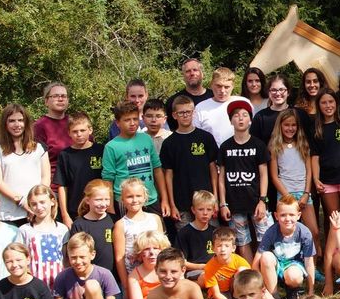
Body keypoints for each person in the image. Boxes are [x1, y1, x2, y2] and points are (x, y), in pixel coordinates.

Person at [218, 100, 271, 263]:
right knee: (242, 241)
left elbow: (264, 174)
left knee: (265, 239)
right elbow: (221, 178)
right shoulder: (225, 147)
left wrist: (262, 200)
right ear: (230, 121)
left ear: (250, 120)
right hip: (235, 203)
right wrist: (223, 203)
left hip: (256, 201)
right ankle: (248, 273)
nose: (240, 118)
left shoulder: (258, 145)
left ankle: (263, 271)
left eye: (244, 115)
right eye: (236, 115)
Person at [102, 100, 169, 219]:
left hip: (150, 199)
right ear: (118, 123)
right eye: (127, 120)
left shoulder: (146, 139)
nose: (132, 123)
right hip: (125, 202)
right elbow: (108, 180)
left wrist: (164, 199)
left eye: (135, 119)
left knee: (156, 230)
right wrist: (110, 206)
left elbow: (157, 169)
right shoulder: (111, 147)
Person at [160, 95, 218, 230]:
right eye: (181, 113)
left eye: (188, 112)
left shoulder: (206, 138)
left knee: (212, 237)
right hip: (182, 203)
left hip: (207, 202)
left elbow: (213, 169)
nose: (185, 115)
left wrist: (215, 199)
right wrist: (172, 205)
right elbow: (168, 175)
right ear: (174, 115)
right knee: (186, 237)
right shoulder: (169, 143)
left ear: (194, 113)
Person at [0, 103, 50, 227]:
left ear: (26, 123)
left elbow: (46, 177)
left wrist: (36, 203)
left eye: (20, 120)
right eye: (12, 121)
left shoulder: (39, 147)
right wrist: (22, 201)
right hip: (9, 214)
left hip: (36, 211)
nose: (17, 125)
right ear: (5, 124)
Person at [112, 230, 172, 299]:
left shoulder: (172, 269)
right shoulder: (134, 276)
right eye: (147, 249)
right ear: (140, 253)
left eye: (156, 248)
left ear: (163, 250)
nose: (152, 253)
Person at [269, 108, 317, 247]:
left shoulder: (303, 144)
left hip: (303, 193)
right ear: (280, 126)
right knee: (287, 232)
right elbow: (274, 176)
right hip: (285, 194)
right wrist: (288, 196)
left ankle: (314, 259)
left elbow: (309, 171)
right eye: (286, 125)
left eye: (293, 125)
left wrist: (306, 193)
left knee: (313, 231)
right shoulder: (275, 147)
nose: (290, 128)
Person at [256, 194, 316, 299]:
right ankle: (274, 296)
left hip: (294, 267)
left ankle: (293, 291)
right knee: (266, 257)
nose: (288, 219)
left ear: (298, 215)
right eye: (283, 215)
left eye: (292, 215)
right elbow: (256, 262)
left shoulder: (305, 233)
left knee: (294, 276)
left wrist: (311, 291)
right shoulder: (271, 232)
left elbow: (309, 262)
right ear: (276, 216)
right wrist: (262, 289)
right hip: (276, 267)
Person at [311, 89, 340, 231]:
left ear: (336, 103)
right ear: (318, 105)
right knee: (334, 217)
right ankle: (333, 245)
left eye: (331, 101)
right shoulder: (316, 128)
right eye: (323, 103)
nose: (328, 105)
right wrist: (316, 179)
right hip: (327, 180)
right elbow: (315, 156)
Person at [113, 177, 165, 288]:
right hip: (134, 280)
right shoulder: (121, 225)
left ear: (145, 197)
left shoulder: (155, 219)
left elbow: (162, 248)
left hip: (157, 276)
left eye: (138, 196)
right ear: (122, 199)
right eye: (129, 197)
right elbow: (119, 258)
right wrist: (126, 285)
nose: (134, 200)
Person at [54, 112, 104, 228]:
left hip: (100, 208)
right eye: (75, 131)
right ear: (69, 133)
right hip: (74, 211)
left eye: (82, 130)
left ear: (90, 130)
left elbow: (108, 180)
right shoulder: (65, 155)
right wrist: (65, 215)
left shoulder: (101, 150)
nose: (79, 134)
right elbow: (62, 186)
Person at [17, 184, 70, 289]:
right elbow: (20, 257)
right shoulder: (25, 230)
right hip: (34, 285)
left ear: (52, 201)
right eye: (34, 204)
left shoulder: (62, 229)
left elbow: (65, 258)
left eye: (42, 202)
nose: (39, 207)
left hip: (59, 283)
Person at [194, 67, 252, 146]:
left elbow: (253, 130)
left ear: (233, 86)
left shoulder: (243, 103)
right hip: (211, 153)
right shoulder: (200, 108)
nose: (222, 91)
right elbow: (195, 136)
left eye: (226, 87)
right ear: (211, 85)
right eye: (219, 86)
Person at [69, 180, 117, 275]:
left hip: (113, 277)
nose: (103, 204)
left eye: (107, 199)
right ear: (87, 200)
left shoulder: (114, 221)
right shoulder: (79, 225)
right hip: (89, 276)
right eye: (98, 200)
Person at [202, 227, 249, 299]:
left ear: (233, 248)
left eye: (227, 246)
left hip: (235, 292)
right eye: (219, 246)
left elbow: (252, 281)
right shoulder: (209, 267)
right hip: (219, 294)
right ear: (213, 248)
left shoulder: (239, 261)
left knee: (243, 271)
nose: (223, 249)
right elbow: (216, 294)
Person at [33, 82, 72, 190]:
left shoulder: (75, 124)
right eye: (55, 96)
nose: (60, 99)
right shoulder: (39, 127)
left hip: (78, 185)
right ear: (46, 101)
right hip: (53, 187)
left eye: (63, 96)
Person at [176, 191, 217, 280]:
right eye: (201, 209)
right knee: (207, 276)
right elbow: (181, 262)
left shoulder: (216, 232)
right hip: (195, 271)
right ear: (193, 210)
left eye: (209, 209)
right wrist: (203, 267)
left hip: (216, 269)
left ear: (213, 211)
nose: (205, 213)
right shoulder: (184, 233)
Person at [165, 58, 214, 131]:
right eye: (188, 71)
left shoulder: (214, 97)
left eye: (195, 70)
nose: (192, 73)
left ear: (202, 74)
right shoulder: (173, 101)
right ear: (183, 76)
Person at [251, 74, 294, 144]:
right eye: (273, 90)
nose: (278, 93)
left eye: (281, 89)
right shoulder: (260, 117)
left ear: (288, 92)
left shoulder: (299, 114)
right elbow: (254, 144)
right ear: (268, 92)